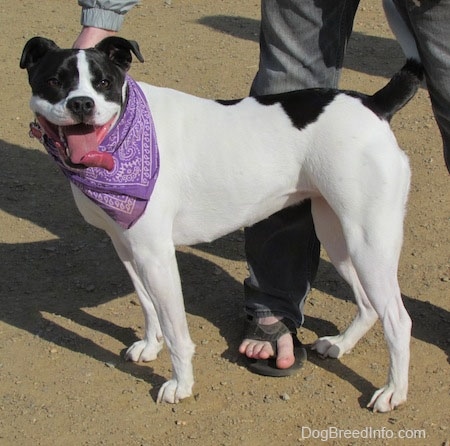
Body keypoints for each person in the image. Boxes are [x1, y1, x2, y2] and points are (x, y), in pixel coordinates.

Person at [74, 0, 450, 376]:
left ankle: (397, 367)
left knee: (371, 263)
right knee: (292, 70)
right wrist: (102, 18)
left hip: (348, 138)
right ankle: (298, 310)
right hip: (319, 131)